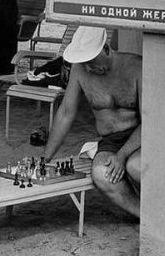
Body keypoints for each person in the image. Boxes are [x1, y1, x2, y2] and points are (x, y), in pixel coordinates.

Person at [43, 26, 141, 217]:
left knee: (135, 167)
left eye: (91, 61)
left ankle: (162, 213)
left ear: (106, 49)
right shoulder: (79, 70)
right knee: (101, 174)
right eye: (84, 62)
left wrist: (122, 156)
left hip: (140, 137)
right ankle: (145, 216)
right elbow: (66, 112)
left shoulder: (136, 67)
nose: (88, 68)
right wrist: (46, 157)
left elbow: (150, 120)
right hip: (111, 140)